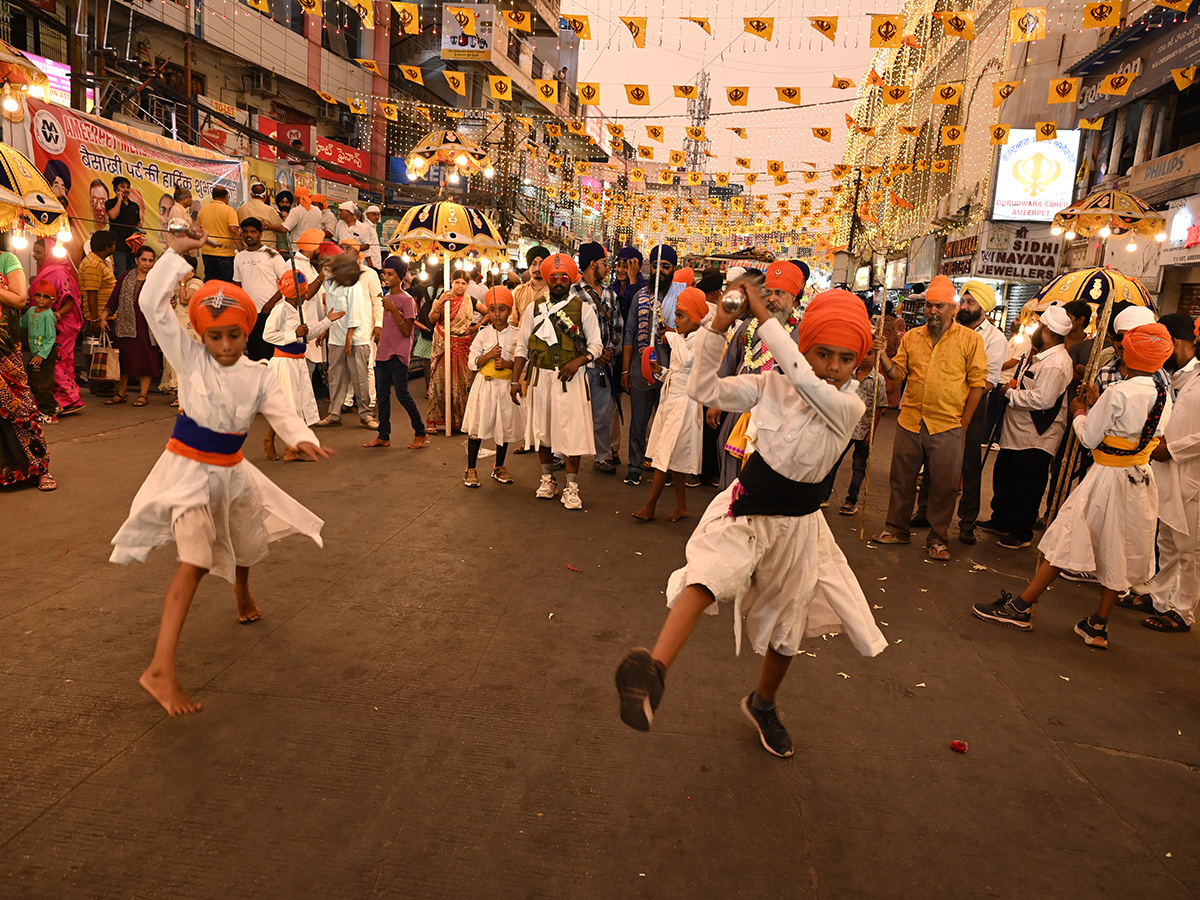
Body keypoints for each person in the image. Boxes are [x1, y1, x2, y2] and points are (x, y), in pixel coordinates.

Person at [613, 286, 885, 757]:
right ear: (805, 347)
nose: (834, 366)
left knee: (786, 631)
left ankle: (763, 703)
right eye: (823, 353)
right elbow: (704, 390)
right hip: (745, 507)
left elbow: (803, 378)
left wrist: (760, 314)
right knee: (706, 577)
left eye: (846, 358)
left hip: (798, 528)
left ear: (858, 363)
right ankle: (652, 672)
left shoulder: (850, 406)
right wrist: (717, 328)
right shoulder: (770, 384)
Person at [110, 226, 332, 716]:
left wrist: (303, 439)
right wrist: (175, 255)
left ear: (247, 328)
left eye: (235, 334)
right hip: (187, 469)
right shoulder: (189, 359)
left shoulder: (257, 373)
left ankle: (242, 587)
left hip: (233, 471)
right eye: (216, 336)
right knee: (191, 561)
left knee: (248, 542)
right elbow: (152, 305)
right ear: (200, 334)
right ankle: (160, 670)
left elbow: (282, 410)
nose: (226, 344)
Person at [973, 323, 1174, 649]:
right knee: (1118, 549)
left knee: (1066, 537)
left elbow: (1090, 436)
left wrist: (1081, 410)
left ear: (1128, 355)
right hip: (1139, 480)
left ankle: (1020, 608)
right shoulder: (1163, 395)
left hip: (1106, 478)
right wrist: (1097, 406)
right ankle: (1098, 624)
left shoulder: (1119, 393)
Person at [872, 275, 988, 561]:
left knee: (944, 486)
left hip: (948, 424)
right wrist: (882, 355)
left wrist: (963, 424)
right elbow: (898, 374)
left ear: (952, 308)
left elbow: (977, 385)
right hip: (910, 420)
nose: (932, 311)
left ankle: (938, 539)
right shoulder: (912, 337)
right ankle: (896, 529)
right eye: (928, 306)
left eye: (938, 306)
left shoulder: (970, 340)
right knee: (901, 479)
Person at [1122, 314, 1200, 633]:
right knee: (1167, 541)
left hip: (1190, 471)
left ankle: (1183, 611)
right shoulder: (1185, 376)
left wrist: (1173, 448)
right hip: (1167, 469)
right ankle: (1159, 598)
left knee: (1191, 549)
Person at [913, 280, 1007, 543]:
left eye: (971, 302)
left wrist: (962, 393)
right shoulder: (947, 330)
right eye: (963, 301)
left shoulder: (995, 338)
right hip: (941, 403)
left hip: (973, 406)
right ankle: (924, 512)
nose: (964, 307)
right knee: (932, 457)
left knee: (968, 464)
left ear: (984, 308)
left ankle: (967, 523)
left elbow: (990, 380)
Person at [976, 305, 1073, 550]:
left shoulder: (1056, 363)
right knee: (1005, 477)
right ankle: (1002, 520)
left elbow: (1043, 400)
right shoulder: (1043, 356)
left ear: (1048, 331)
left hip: (1036, 438)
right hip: (1017, 432)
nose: (1036, 329)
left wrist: (1011, 393)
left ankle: (1021, 531)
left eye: (1041, 326)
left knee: (1026, 485)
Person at [509, 253, 602, 510]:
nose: (559, 281)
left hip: (570, 379)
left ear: (570, 279)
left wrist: (577, 362)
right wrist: (515, 381)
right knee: (543, 431)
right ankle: (547, 480)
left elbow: (596, 345)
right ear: (548, 280)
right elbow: (521, 348)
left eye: (563, 277)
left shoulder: (583, 309)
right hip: (540, 380)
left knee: (572, 433)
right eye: (554, 277)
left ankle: (572, 487)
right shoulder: (533, 308)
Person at [712, 262, 806, 491]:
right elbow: (729, 364)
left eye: (780, 293)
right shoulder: (748, 327)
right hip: (738, 413)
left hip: (778, 420)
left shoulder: (802, 333)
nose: (772, 299)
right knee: (731, 471)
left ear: (794, 298)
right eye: (769, 293)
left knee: (764, 480)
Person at [632, 287, 707, 523]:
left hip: (685, 403)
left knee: (664, 455)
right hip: (671, 399)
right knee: (677, 459)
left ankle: (650, 505)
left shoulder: (702, 339)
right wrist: (661, 372)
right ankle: (682, 507)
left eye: (681, 316)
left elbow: (687, 360)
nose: (676, 321)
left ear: (695, 318)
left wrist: (672, 335)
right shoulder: (683, 339)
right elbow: (678, 371)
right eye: (676, 315)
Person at [263, 270, 344, 460]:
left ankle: (274, 441)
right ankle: (290, 450)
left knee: (292, 405)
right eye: (304, 291)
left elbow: (306, 335)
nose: (307, 294)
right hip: (284, 362)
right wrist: (294, 334)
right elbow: (267, 335)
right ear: (296, 293)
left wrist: (327, 322)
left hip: (297, 360)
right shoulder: (280, 309)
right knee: (289, 406)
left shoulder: (297, 310)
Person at [622, 244, 678, 486]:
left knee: (666, 422)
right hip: (641, 368)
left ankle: (662, 468)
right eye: (656, 265)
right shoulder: (640, 296)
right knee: (638, 421)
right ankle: (634, 467)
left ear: (674, 268)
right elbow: (630, 333)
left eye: (665, 266)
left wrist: (674, 331)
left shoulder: (682, 294)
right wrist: (626, 369)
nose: (660, 270)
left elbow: (695, 329)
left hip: (671, 370)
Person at [0, 247, 54, 490]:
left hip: (4, 346)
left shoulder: (6, 260)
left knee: (18, 404)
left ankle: (40, 469)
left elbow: (20, 298)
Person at [365, 257, 427, 451]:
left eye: (390, 274)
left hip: (399, 354)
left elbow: (407, 330)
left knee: (402, 394)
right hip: (383, 351)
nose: (386, 277)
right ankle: (384, 435)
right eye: (384, 273)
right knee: (382, 396)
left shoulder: (407, 300)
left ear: (400, 276)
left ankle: (420, 432)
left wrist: (394, 310)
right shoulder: (386, 297)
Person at [462, 286, 521, 487]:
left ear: (510, 310)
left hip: (505, 386)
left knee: (503, 426)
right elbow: (472, 361)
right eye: (493, 309)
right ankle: (471, 469)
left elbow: (524, 362)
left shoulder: (517, 334)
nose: (497, 314)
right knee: (478, 426)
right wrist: (488, 355)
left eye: (502, 309)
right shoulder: (483, 334)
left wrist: (508, 364)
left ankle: (499, 466)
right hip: (485, 386)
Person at [572, 242, 623, 474]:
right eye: (604, 263)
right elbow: (570, 331)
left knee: (602, 415)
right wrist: (592, 352)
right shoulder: (574, 293)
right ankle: (563, 454)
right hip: (581, 365)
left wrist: (611, 350)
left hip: (604, 367)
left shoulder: (611, 294)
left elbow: (618, 329)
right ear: (593, 264)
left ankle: (602, 456)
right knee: (572, 413)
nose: (608, 268)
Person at [313, 250, 376, 428]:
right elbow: (331, 311)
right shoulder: (329, 282)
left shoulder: (352, 285)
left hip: (356, 337)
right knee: (335, 377)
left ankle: (366, 414)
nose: (327, 265)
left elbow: (355, 311)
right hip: (335, 336)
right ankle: (334, 413)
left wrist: (350, 338)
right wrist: (324, 330)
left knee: (360, 377)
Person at [822, 348, 885, 515]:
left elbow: (879, 408)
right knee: (833, 462)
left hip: (863, 431)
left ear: (876, 357)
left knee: (858, 467)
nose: (865, 357)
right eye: (863, 353)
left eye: (870, 354)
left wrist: (871, 433)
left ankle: (851, 501)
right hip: (844, 429)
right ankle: (824, 495)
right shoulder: (848, 374)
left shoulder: (878, 380)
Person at [102, 246, 162, 406]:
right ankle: (121, 393)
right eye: (144, 260)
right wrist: (104, 316)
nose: (148, 263)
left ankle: (143, 395)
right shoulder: (125, 277)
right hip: (125, 325)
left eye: (151, 260)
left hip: (148, 326)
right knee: (124, 359)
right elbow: (114, 298)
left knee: (147, 358)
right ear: (136, 260)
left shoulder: (158, 280)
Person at [32, 239, 85, 416]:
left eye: (38, 252)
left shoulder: (58, 274)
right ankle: (59, 399)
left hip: (61, 327)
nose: (34, 256)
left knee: (56, 361)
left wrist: (57, 315)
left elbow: (69, 301)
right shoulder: (48, 272)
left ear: (48, 254)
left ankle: (70, 398)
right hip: (49, 325)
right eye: (34, 252)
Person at [427, 269, 476, 435]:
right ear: (451, 281)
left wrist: (476, 327)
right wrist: (440, 303)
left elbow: (487, 312)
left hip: (461, 346)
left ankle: (458, 421)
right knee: (439, 382)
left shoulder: (470, 300)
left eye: (464, 283)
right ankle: (433, 421)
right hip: (444, 345)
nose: (460, 287)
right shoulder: (444, 298)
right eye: (457, 283)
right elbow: (432, 319)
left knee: (460, 386)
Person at [233, 218, 289, 361]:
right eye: (245, 232)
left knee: (269, 354)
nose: (248, 235)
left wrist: (271, 303)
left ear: (260, 235)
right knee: (253, 352)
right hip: (250, 314)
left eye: (253, 232)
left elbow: (287, 282)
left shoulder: (273, 255)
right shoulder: (239, 257)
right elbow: (237, 284)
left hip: (271, 312)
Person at [159, 254, 204, 400]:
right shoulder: (177, 283)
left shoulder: (196, 283)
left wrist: (183, 282)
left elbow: (185, 299)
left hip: (189, 328)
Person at [20, 280, 58, 421]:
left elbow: (51, 337)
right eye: (38, 295)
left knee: (43, 385)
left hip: (46, 354)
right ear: (33, 296)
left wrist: (42, 355)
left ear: (52, 300)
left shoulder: (48, 315)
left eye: (46, 296)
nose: (41, 299)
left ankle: (49, 414)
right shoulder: (31, 311)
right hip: (36, 354)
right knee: (30, 379)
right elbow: (21, 324)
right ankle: (52, 405)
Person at [79, 230, 117, 343]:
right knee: (98, 357)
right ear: (107, 248)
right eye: (114, 244)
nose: (115, 247)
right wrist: (95, 319)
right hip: (99, 320)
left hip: (104, 317)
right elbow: (92, 293)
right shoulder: (93, 265)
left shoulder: (99, 262)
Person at [196, 187, 242, 282]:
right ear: (226, 197)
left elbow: (199, 230)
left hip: (207, 252)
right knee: (225, 283)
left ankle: (209, 297)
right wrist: (240, 248)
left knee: (210, 281)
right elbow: (234, 230)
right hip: (225, 253)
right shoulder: (229, 211)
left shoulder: (203, 210)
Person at [105, 176, 142, 277]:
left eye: (127, 187)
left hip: (132, 246)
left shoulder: (134, 206)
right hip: (118, 245)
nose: (126, 189)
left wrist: (138, 237)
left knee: (132, 275)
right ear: (116, 189)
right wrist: (119, 199)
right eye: (122, 187)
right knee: (121, 274)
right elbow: (113, 215)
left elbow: (138, 223)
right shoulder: (110, 203)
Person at [237, 182, 286, 249]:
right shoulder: (269, 210)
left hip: (247, 249)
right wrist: (267, 227)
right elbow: (282, 227)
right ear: (265, 196)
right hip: (267, 250)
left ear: (251, 195)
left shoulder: (241, 209)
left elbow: (237, 229)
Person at [510, 246, 549, 327]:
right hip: (521, 338)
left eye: (541, 264)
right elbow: (512, 322)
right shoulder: (519, 291)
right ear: (529, 266)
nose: (537, 268)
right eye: (534, 264)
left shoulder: (554, 291)